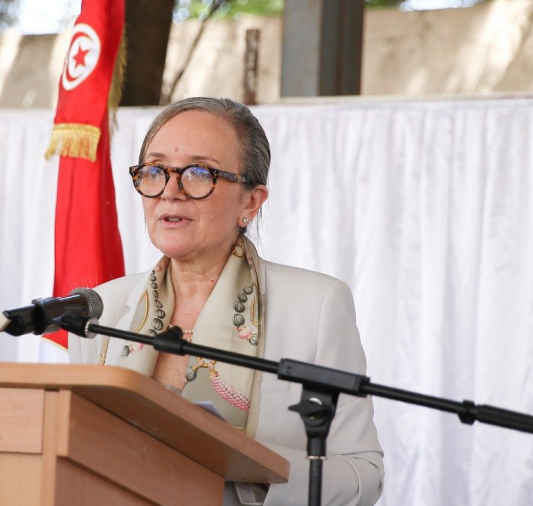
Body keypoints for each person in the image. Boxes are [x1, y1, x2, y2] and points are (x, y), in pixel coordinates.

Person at [69, 97, 383, 505]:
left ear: (250, 202)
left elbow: (364, 474)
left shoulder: (316, 307)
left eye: (199, 173)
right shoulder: (101, 309)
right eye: (155, 170)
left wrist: (245, 461)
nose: (170, 192)